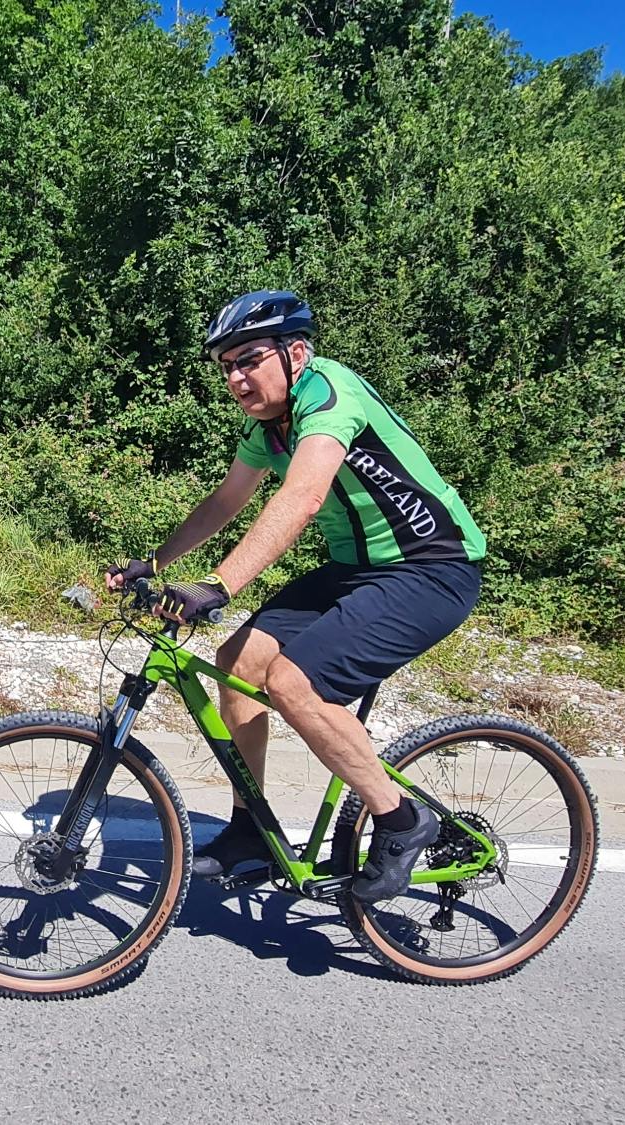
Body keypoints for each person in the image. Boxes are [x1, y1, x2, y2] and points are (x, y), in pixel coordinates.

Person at [104, 290, 486, 901]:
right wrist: (152, 563)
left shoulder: (330, 398)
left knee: (292, 683)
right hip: (355, 568)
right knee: (238, 664)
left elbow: (301, 500)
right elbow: (227, 501)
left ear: (296, 353)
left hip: (430, 568)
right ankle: (252, 830)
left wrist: (219, 585)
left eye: (249, 359)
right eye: (226, 366)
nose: (235, 377)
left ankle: (402, 820)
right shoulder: (270, 426)